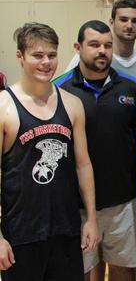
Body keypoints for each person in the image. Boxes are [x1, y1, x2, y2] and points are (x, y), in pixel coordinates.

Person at [0, 22, 99, 280]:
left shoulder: (72, 104)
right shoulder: (4, 107)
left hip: (65, 230)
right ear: (20, 56)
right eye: (37, 55)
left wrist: (90, 219)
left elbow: (83, 165)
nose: (46, 62)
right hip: (21, 234)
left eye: (52, 55)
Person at [53, 20, 136, 281]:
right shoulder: (59, 90)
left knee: (123, 272)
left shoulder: (131, 88)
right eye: (94, 45)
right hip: (76, 205)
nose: (102, 51)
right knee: (81, 272)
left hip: (123, 201)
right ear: (78, 47)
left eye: (107, 45)